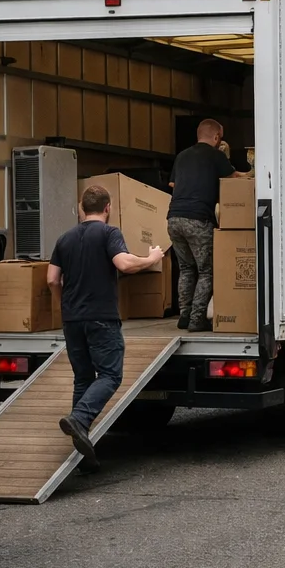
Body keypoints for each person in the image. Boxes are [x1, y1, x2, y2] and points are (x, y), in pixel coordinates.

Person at [47, 184, 163, 465]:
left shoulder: (64, 239)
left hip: (72, 320)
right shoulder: (109, 233)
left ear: (81, 208)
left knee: (84, 379)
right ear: (108, 208)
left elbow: (52, 279)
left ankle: (81, 453)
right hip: (101, 317)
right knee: (111, 375)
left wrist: (65, 304)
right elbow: (123, 264)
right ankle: (80, 418)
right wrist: (151, 258)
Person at [167, 118, 246, 332]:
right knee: (207, 271)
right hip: (198, 220)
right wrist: (252, 173)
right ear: (217, 137)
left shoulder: (182, 156)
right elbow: (233, 179)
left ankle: (184, 315)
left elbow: (173, 184)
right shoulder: (216, 156)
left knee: (185, 268)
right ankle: (197, 319)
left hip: (173, 219)